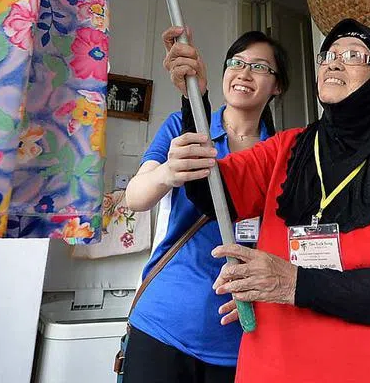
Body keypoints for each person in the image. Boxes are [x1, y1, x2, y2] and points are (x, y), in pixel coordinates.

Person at [163, 18, 370, 383]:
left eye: (353, 55)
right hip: (279, 365)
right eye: (329, 55)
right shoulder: (285, 147)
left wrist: (295, 283)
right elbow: (213, 195)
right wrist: (194, 98)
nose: (334, 63)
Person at [120, 27, 290, 383]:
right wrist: (168, 172)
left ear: (277, 86)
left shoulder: (284, 153)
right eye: (236, 63)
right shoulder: (183, 128)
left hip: (242, 335)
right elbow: (135, 197)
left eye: (259, 67)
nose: (244, 73)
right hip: (165, 323)